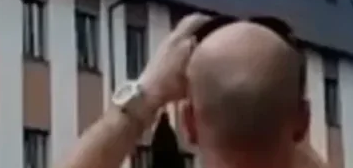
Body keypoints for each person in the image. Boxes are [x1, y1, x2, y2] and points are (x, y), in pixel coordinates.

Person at [53, 13, 326, 168]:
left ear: (189, 124)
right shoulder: (298, 125)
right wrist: (279, 118)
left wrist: (146, 93)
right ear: (304, 120)